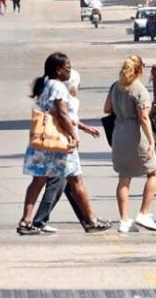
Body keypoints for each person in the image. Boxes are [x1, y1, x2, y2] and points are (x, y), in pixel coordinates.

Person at [18, 53, 110, 235]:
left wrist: (82, 127)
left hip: (45, 141)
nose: (70, 71)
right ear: (58, 71)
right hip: (60, 143)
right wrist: (73, 135)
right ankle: (91, 220)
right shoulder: (59, 87)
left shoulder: (46, 85)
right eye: (67, 68)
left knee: (38, 180)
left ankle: (26, 220)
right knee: (76, 180)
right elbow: (62, 114)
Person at [104, 55, 156, 233]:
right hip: (136, 136)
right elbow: (143, 117)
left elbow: (107, 109)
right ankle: (144, 213)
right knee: (154, 172)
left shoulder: (116, 86)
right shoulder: (139, 89)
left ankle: (124, 219)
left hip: (119, 136)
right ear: (140, 69)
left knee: (124, 177)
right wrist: (152, 142)